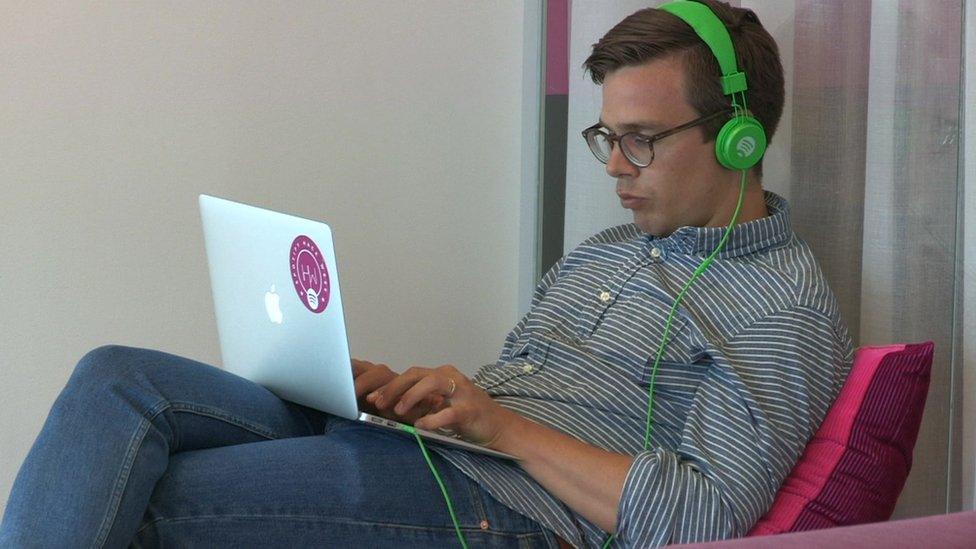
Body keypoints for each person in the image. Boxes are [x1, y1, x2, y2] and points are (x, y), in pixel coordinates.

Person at [0, 1, 852, 547]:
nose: (616, 167)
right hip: (433, 448)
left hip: (507, 509)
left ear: (738, 135)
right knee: (116, 381)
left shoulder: (782, 304)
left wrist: (496, 429)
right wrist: (411, 396)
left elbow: (701, 517)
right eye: (607, 138)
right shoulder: (607, 251)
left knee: (135, 497)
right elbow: (511, 392)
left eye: (642, 138)